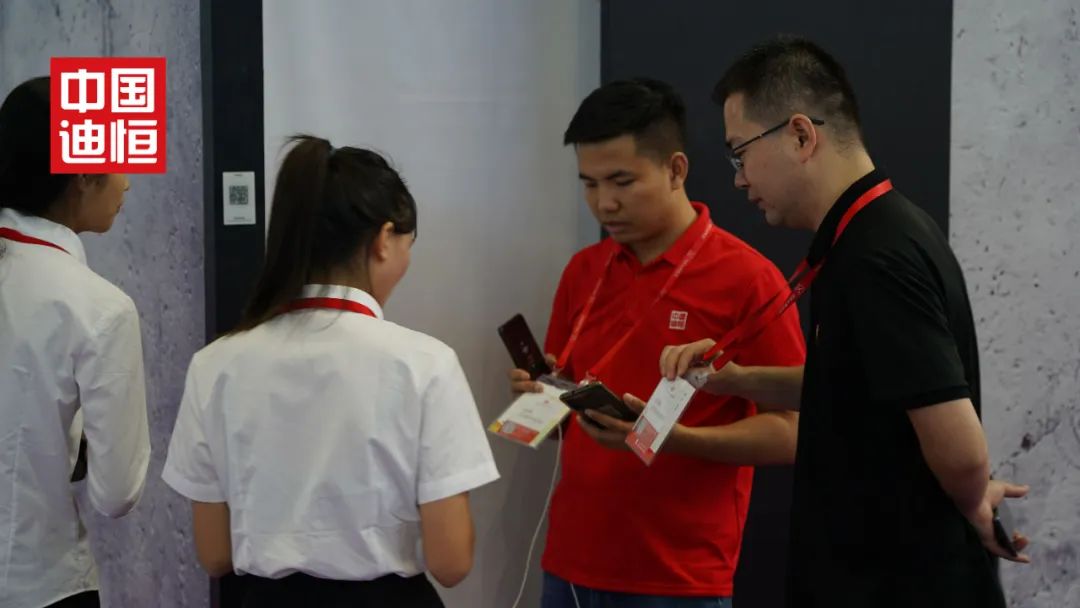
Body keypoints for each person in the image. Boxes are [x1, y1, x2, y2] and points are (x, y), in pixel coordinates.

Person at [660, 36, 1031, 608]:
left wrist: (971, 501)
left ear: (800, 135)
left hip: (896, 586)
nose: (739, 179)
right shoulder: (873, 235)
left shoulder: (877, 256)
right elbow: (856, 386)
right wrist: (733, 380)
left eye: (741, 153)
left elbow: (962, 452)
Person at [162, 135, 499, 607]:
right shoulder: (426, 365)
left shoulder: (214, 365)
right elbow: (451, 561)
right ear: (384, 240)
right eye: (408, 244)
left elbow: (215, 553)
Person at [509, 79, 806, 607]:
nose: (604, 203)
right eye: (589, 184)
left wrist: (676, 439)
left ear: (675, 170)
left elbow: (792, 433)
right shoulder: (584, 272)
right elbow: (565, 430)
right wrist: (542, 397)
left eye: (622, 181)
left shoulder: (747, 279)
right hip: (570, 566)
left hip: (678, 578)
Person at [0, 77, 151, 608]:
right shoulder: (100, 308)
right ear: (82, 176)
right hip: (41, 583)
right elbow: (116, 493)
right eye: (120, 162)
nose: (127, 182)